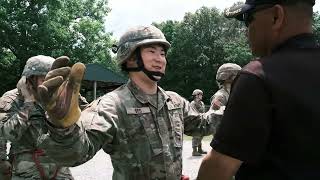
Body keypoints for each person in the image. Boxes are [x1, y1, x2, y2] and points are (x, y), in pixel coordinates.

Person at [37, 25, 213, 180]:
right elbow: (76, 153)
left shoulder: (174, 101)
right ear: (130, 58)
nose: (160, 59)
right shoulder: (111, 105)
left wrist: (236, 105)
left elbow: (203, 125)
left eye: (162, 53)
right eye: (151, 52)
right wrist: (62, 128)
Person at [198, 0, 319, 179]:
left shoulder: (258, 77)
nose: (246, 31)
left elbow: (219, 168)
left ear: (276, 16)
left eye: (248, 20)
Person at [0, 55, 86, 179]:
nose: (50, 83)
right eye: (44, 79)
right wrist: (28, 103)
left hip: (59, 165)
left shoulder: (60, 95)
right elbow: (6, 134)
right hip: (26, 167)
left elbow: (89, 117)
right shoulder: (12, 99)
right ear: (30, 79)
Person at [209, 63, 241, 134]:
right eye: (238, 76)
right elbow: (215, 122)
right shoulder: (220, 96)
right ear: (230, 78)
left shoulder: (232, 94)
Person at [190, 89, 207, 156]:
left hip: (202, 121)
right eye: (200, 94)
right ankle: (194, 151)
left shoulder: (202, 103)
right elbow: (192, 113)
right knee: (196, 135)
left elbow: (203, 112)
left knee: (201, 135)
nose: (201, 96)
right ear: (196, 95)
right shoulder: (193, 103)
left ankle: (200, 149)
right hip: (195, 121)